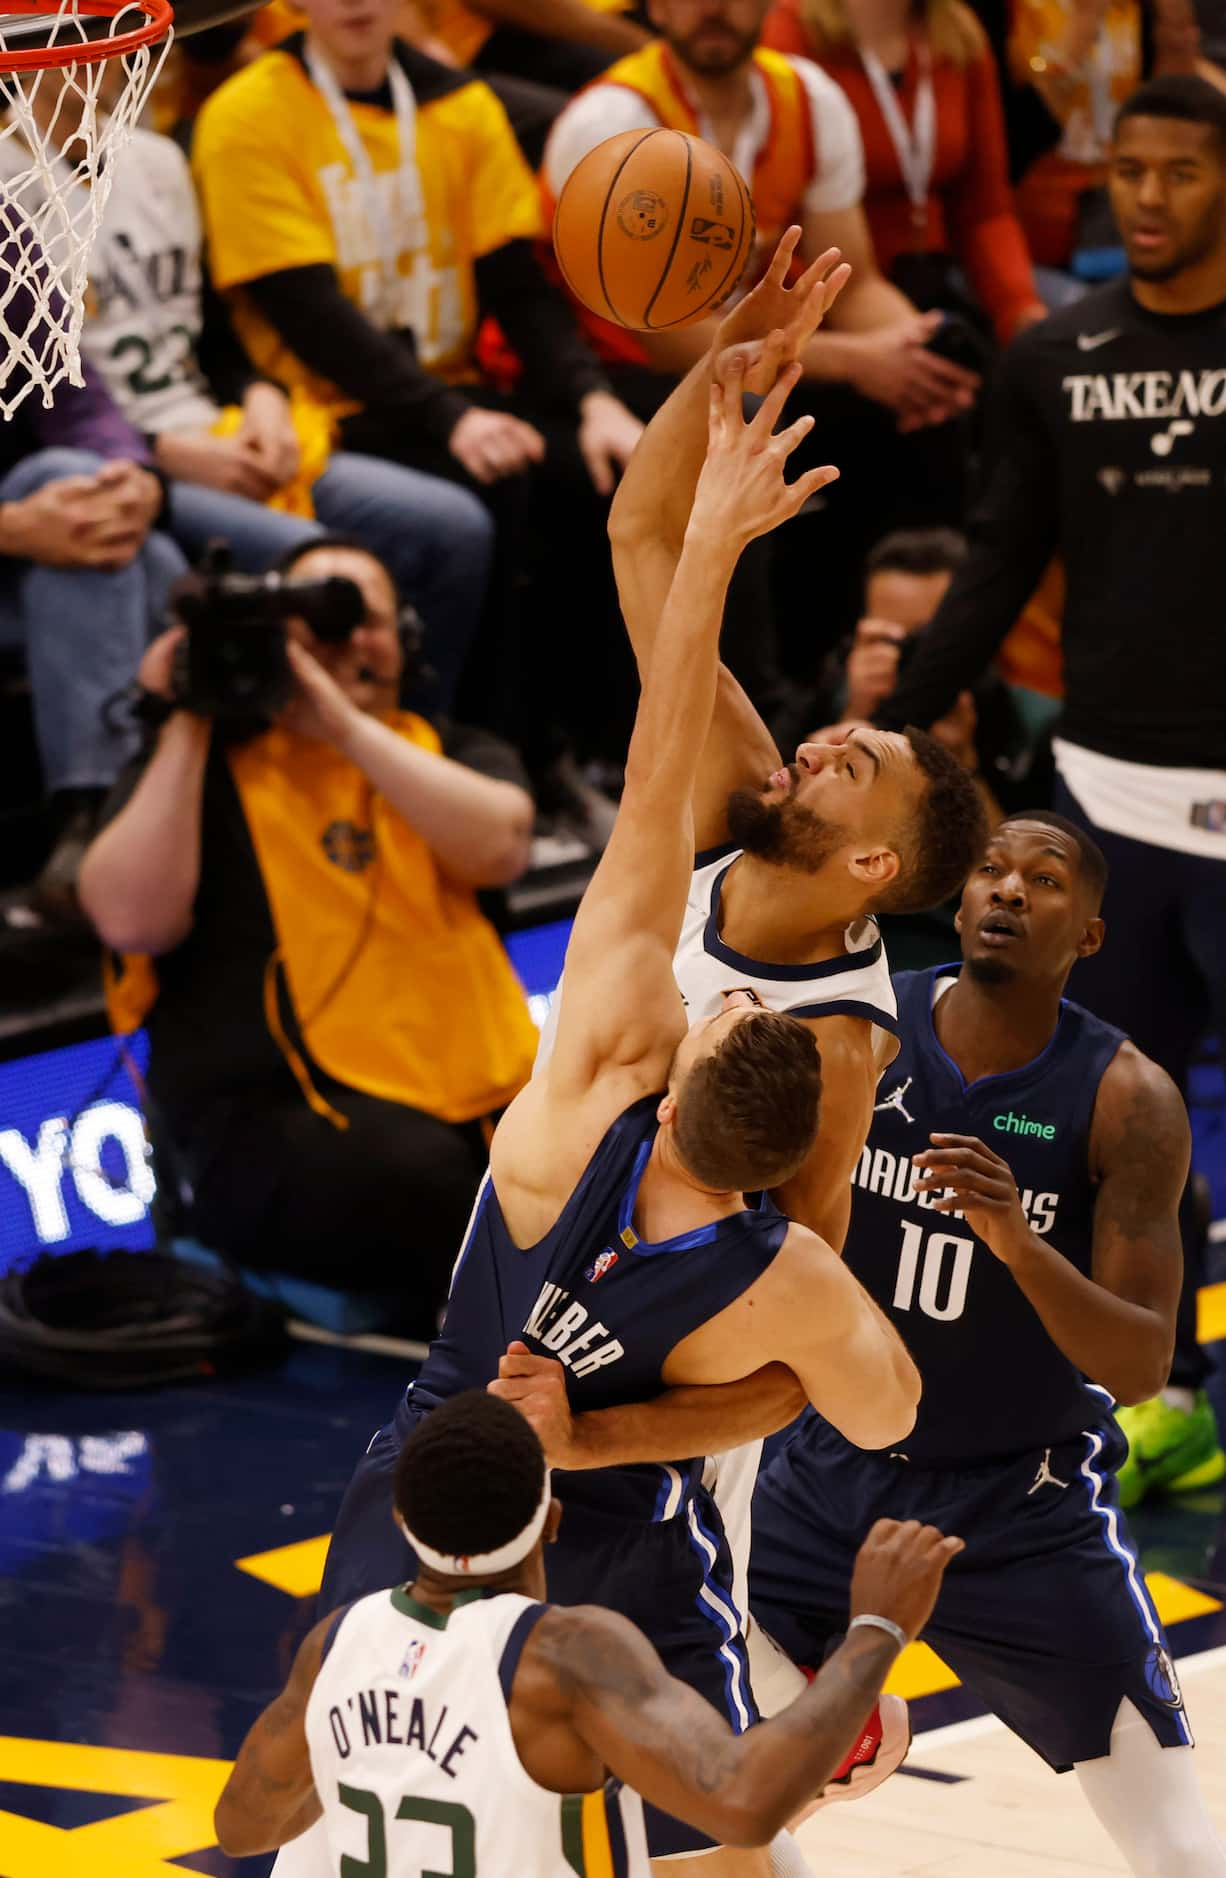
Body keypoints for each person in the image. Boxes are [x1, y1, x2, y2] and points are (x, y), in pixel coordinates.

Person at [277, 358, 926, 1878]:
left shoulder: (579, 1092)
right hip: (619, 1507)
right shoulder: (785, 1271)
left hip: (447, 1465)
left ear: (681, 1062)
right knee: (716, 1822)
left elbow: (642, 770)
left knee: (316, 1796)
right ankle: (794, 1737)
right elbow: (884, 1410)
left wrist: (713, 533)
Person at [514, 813, 1226, 1878]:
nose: (1006, 891)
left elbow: (1134, 1368)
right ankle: (832, 1723)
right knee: (702, 1805)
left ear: (1086, 935)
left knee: (1178, 1848)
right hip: (820, 1480)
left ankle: (834, 1723)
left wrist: (1016, 1245)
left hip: (1017, 1506)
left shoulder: (1125, 1101)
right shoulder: (860, 1028)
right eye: (989, 869)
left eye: (1040, 880)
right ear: (955, 896)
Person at [875, 72, 1226, 1501]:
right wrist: (892, 726)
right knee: (1126, 1123)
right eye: (1123, 172)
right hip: (1117, 794)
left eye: (1178, 173)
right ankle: (1171, 1398)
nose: (1142, 197)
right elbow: (999, 560)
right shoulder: (1053, 355)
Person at [77, 539, 538, 1335]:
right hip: (263, 1128)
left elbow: (499, 845)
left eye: (366, 618)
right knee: (427, 1177)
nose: (346, 640)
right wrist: (195, 707)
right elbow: (129, 918)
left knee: (580, 1153)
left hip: (467, 1103)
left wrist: (343, 729)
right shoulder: (203, 770)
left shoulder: (445, 750)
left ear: (409, 640)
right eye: (317, 621)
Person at [216, 1390, 963, 1871]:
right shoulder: (571, 1658)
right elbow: (743, 1802)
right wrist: (877, 1630)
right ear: (551, 1521)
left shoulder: (339, 1645)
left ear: (404, 1521)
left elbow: (241, 1828)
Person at [192, 0, 643, 762]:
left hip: (448, 393)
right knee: (501, 478)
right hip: (326, 409)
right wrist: (450, 420)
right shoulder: (245, 114)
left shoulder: (459, 103)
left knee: (620, 462)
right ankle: (497, 755)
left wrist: (592, 399)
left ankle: (610, 748)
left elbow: (517, 285)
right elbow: (308, 314)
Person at [0, 94, 496, 716]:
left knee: (451, 528)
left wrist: (262, 396)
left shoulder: (157, 161)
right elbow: (41, 406)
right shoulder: (8, 188)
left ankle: (408, 754)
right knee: (327, 570)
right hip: (124, 461)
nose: (91, 46)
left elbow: (211, 336)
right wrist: (159, 458)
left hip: (212, 429)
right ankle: (276, 785)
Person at [542, 0, 983, 636]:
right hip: (620, 370)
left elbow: (852, 282)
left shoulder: (808, 97)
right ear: (657, 9)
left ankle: (891, 663)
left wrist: (914, 344)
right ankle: (759, 694)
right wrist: (858, 361)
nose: (715, 10)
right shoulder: (614, 122)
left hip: (760, 353)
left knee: (936, 403)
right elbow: (660, 336)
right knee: (732, 437)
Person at [0, 242, 188, 920]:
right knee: (151, 567)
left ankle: (103, 821)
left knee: (128, 541)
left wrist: (127, 475)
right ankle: (119, 819)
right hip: (21, 532)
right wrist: (11, 528)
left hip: (43, 543)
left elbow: (77, 397)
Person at [763, 0, 1046, 343]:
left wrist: (1019, 308)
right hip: (832, 293)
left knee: (1057, 338)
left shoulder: (958, 35)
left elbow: (985, 210)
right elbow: (787, 235)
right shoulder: (788, 37)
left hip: (941, 276)